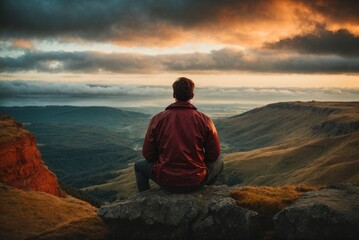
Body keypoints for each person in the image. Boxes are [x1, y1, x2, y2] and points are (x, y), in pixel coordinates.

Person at [134, 77, 223, 193]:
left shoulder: (157, 119)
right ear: (192, 95)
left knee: (138, 166)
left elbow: (148, 155)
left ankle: (144, 198)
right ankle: (206, 192)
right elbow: (213, 155)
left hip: (165, 180)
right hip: (196, 180)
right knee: (219, 163)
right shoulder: (205, 120)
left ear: (173, 94)